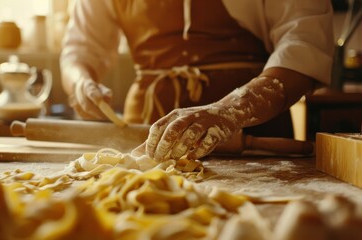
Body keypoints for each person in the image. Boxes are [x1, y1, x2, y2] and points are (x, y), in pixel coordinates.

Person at [60, 0, 334, 161]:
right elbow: (80, 49)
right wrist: (81, 83)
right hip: (144, 133)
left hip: (254, 130)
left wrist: (229, 111)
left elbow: (304, 43)